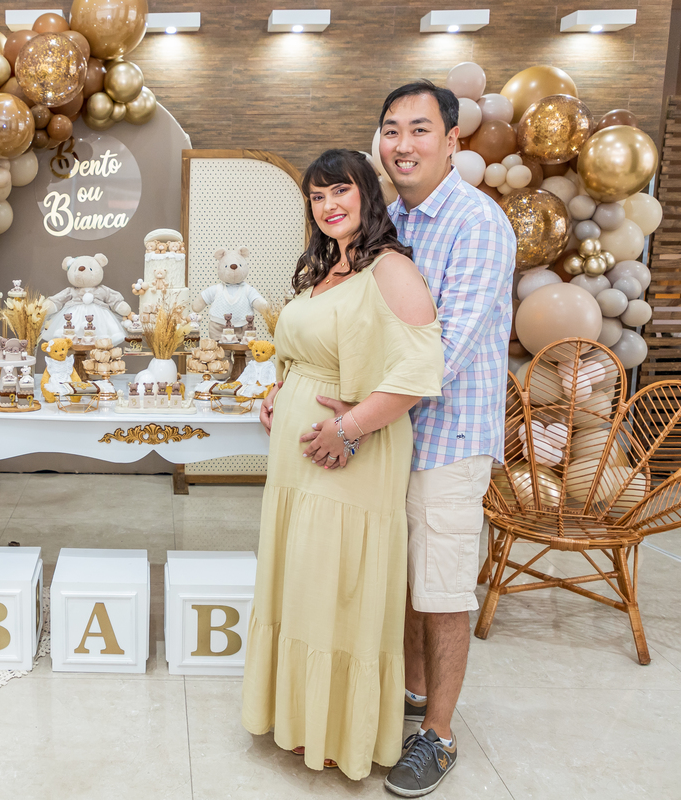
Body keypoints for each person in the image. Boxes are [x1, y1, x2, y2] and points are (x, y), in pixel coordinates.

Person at [242, 149, 444, 780]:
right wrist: (281, 389)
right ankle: (300, 718)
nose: (328, 206)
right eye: (317, 196)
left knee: (338, 580)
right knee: (304, 576)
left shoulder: (392, 269)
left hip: (352, 453)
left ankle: (338, 731)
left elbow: (418, 373)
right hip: (299, 456)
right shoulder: (325, 267)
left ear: (367, 195)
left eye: (340, 191)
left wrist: (348, 429)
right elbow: (307, 350)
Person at [376, 81, 516, 797]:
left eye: (420, 129)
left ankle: (440, 735)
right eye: (391, 129)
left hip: (448, 439)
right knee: (404, 580)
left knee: (442, 588)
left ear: (452, 139)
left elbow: (446, 350)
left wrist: (354, 414)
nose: (403, 144)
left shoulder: (477, 222)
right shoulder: (393, 220)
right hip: (394, 434)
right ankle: (412, 693)